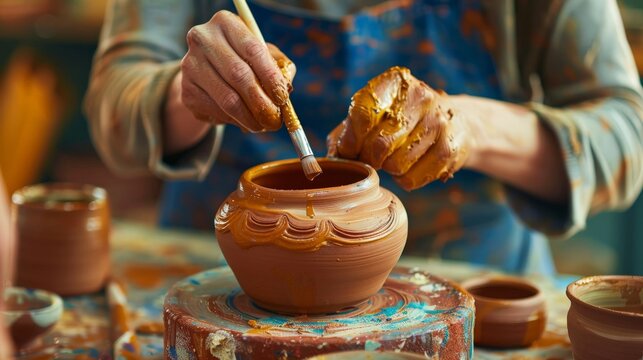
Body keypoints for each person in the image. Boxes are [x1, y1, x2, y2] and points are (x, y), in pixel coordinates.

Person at [85, 0, 643, 275]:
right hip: (228, 274)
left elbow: (627, 134)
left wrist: (470, 128)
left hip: (471, 276)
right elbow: (112, 101)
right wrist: (192, 93)